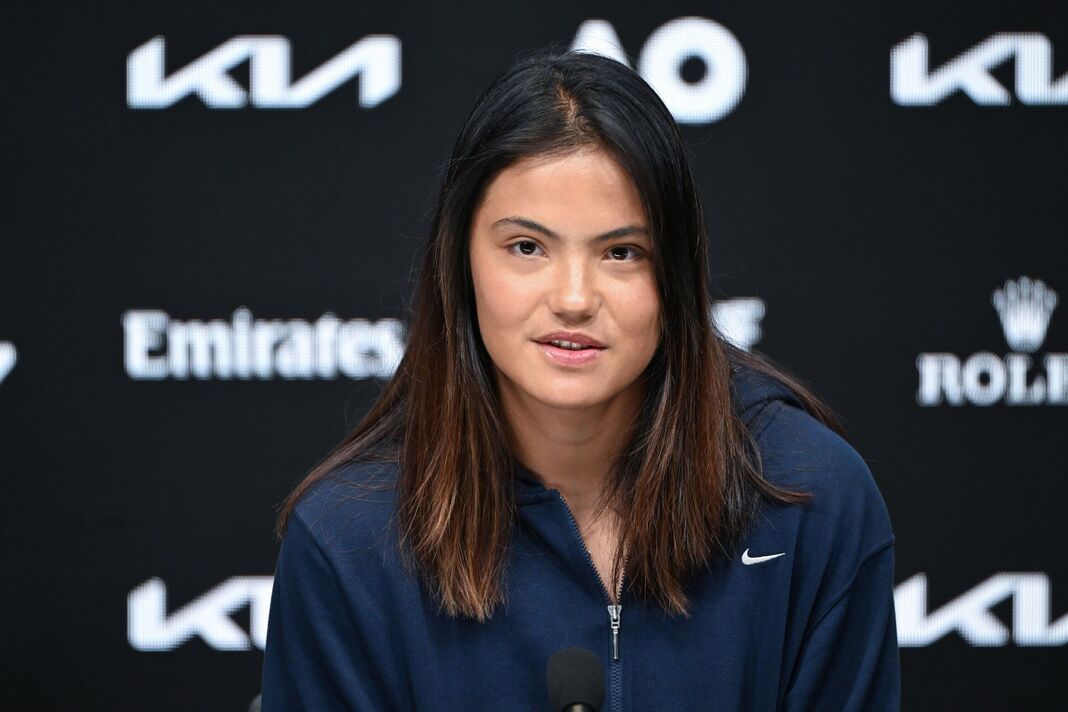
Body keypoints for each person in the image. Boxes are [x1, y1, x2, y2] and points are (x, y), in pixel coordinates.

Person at [261, 48, 899, 711]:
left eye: (621, 253)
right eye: (527, 247)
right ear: (460, 261)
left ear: (675, 277)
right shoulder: (347, 540)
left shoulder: (812, 501)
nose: (573, 299)